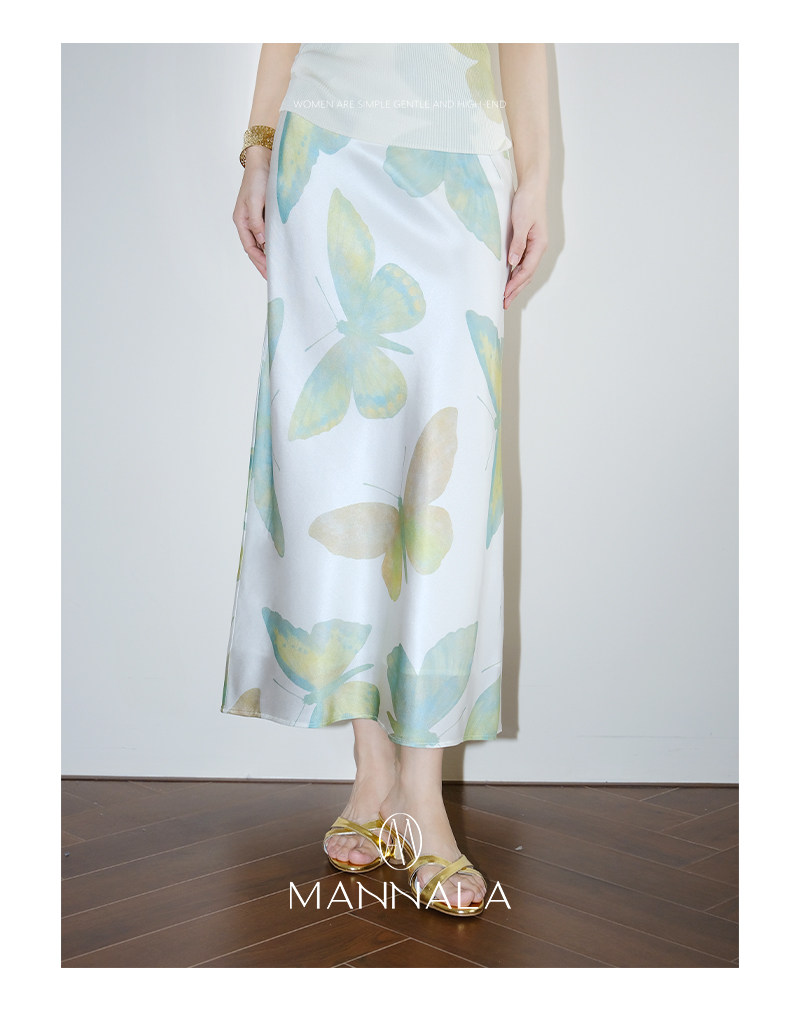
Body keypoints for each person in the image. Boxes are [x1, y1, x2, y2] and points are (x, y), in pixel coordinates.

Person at [223, 43, 550, 917]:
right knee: (342, 470)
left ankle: (423, 796)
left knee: (448, 470)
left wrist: (537, 177)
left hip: (461, 152)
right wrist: (257, 148)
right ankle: (374, 774)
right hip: (327, 149)